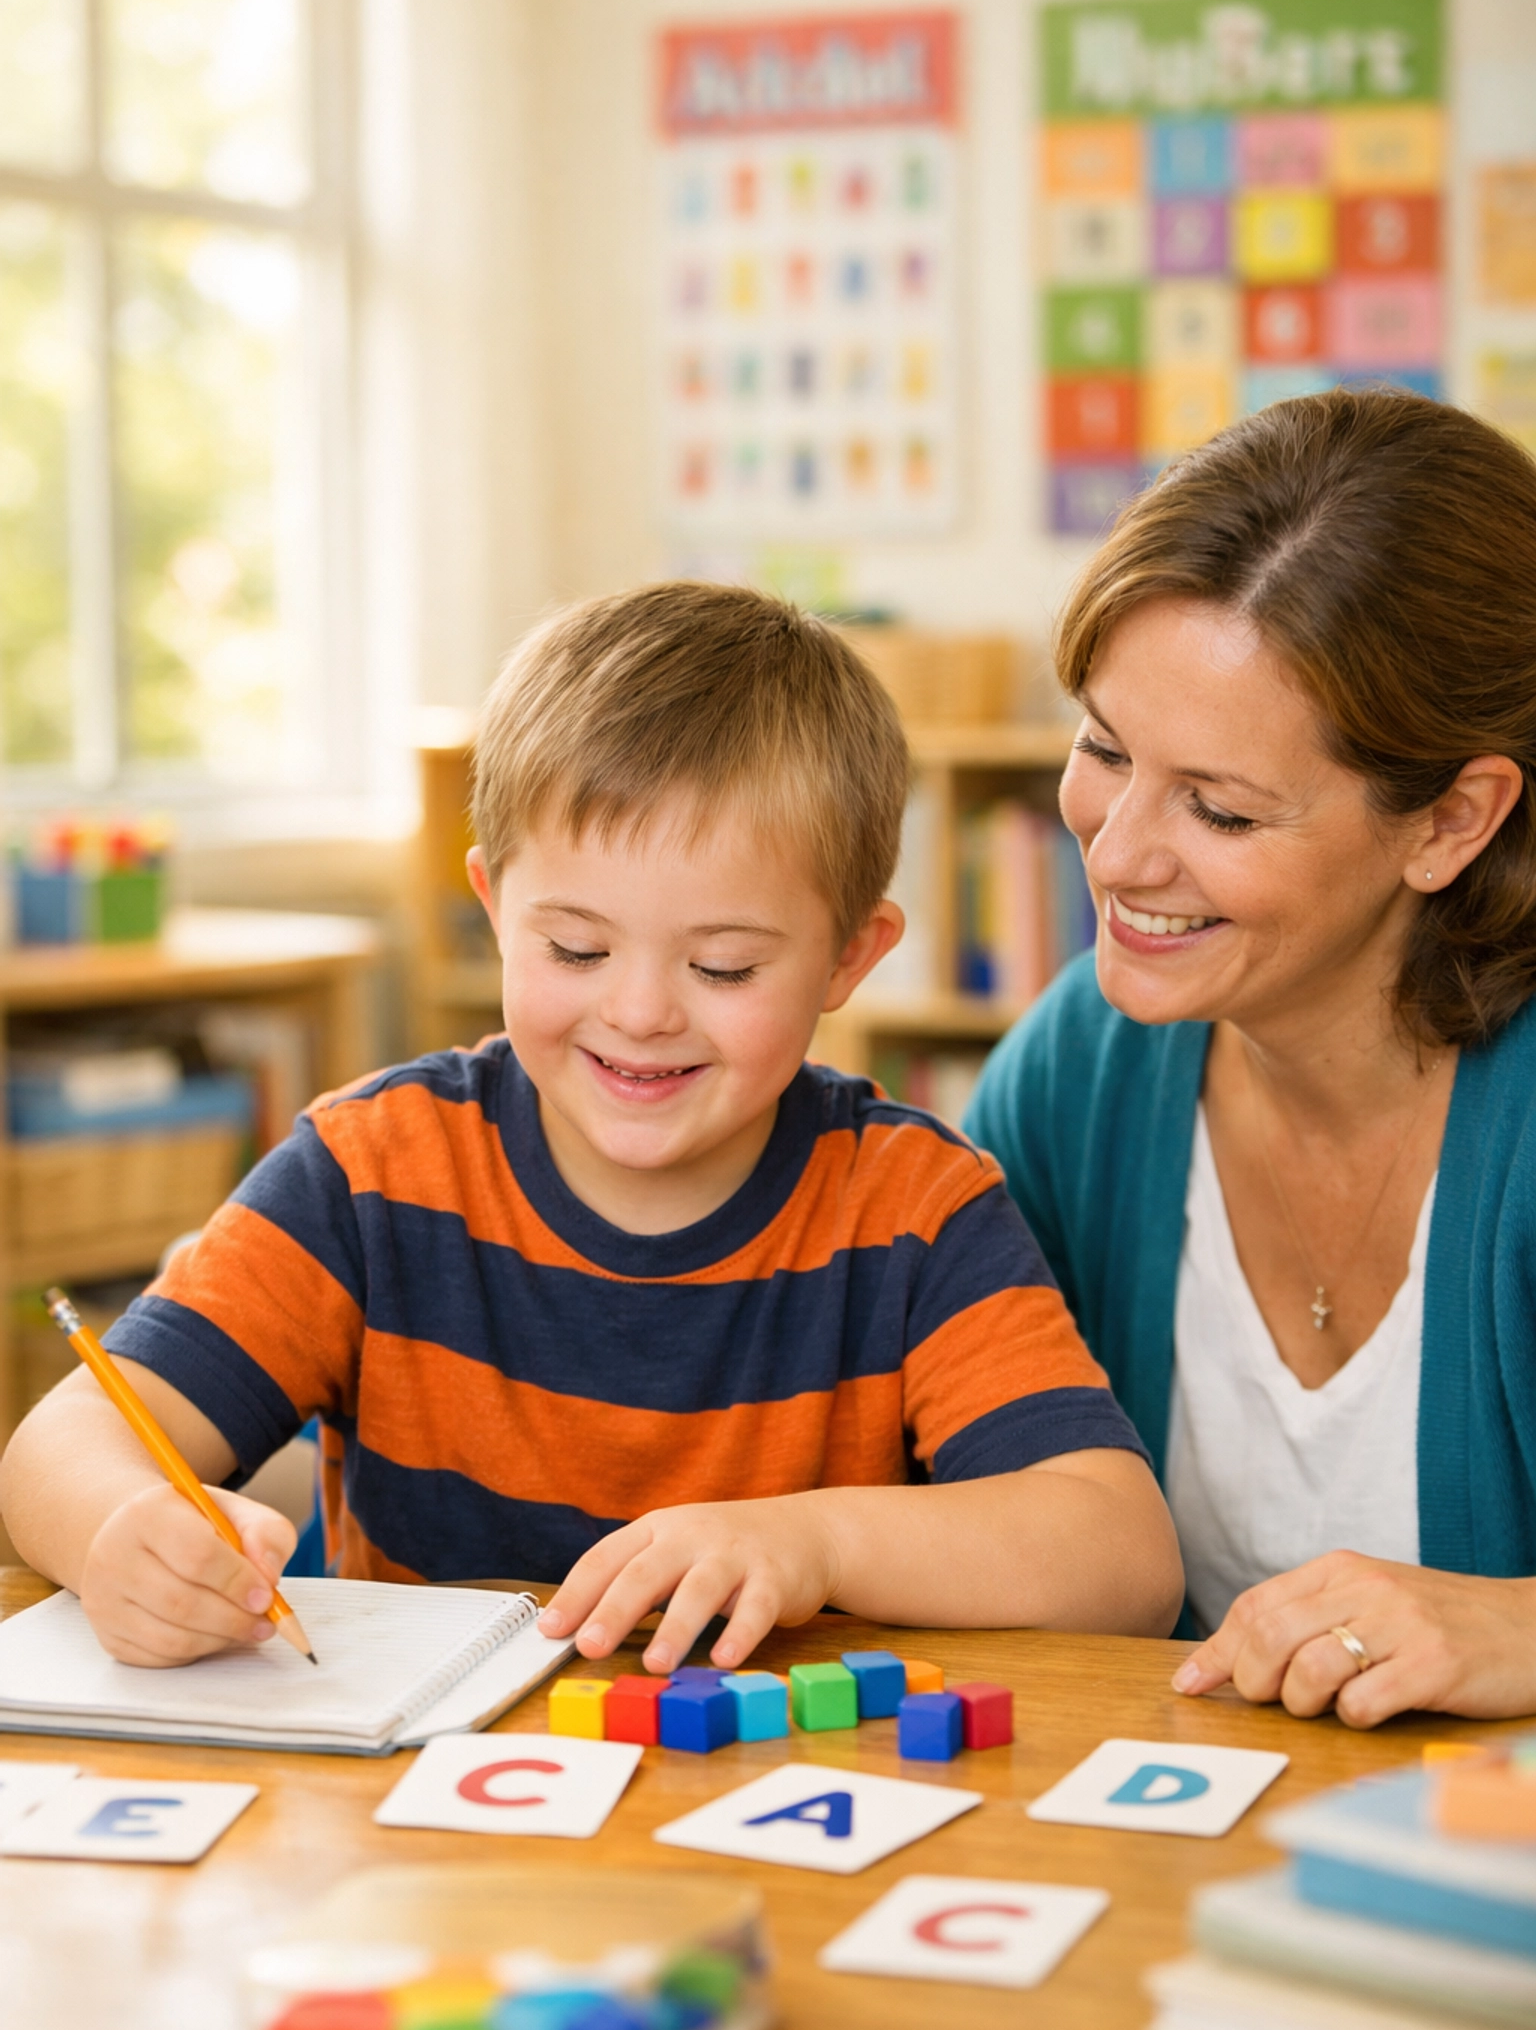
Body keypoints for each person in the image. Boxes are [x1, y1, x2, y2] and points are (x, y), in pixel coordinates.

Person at [0, 582, 1180, 1674]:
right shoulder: (373, 1172)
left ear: (849, 958)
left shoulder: (915, 1208)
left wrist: (814, 1541)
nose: (639, 1012)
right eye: (574, 948)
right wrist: (124, 1530)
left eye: (723, 965)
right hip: (436, 1832)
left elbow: (1120, 1558)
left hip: (780, 1805)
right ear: (492, 911)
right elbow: (65, 1443)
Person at [965, 387, 1536, 1731]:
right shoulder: (1075, 1075)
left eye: (1219, 807)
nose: (1114, 855)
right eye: (1104, 749)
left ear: (1452, 819)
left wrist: (1519, 1627)